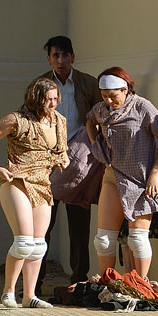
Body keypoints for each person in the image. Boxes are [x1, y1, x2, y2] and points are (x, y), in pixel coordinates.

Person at [0, 77, 70, 308]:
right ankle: (8, 292)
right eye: (48, 99)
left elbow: (61, 150)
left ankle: (29, 296)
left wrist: (62, 159)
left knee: (39, 245)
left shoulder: (59, 121)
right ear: (36, 98)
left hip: (42, 184)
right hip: (17, 180)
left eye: (55, 98)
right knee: (23, 242)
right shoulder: (16, 119)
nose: (53, 103)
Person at [85, 67, 158, 281]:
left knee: (137, 239)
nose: (109, 101)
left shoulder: (143, 107)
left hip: (141, 181)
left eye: (113, 96)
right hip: (112, 175)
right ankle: (109, 282)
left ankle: (141, 285)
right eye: (104, 96)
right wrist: (97, 144)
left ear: (125, 89)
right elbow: (90, 120)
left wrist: (155, 173)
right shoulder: (100, 109)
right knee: (104, 239)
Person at [37, 36, 99, 286]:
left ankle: (78, 282)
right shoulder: (40, 85)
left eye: (65, 55)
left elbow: (102, 117)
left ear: (73, 57)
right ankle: (34, 284)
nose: (60, 61)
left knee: (79, 227)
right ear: (49, 58)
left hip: (80, 164)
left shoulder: (88, 83)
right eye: (55, 55)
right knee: (40, 228)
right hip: (47, 164)